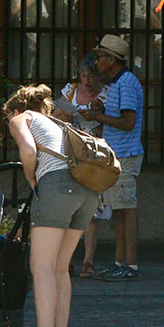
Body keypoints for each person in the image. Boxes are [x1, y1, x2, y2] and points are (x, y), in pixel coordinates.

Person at [5, 82, 98, 327]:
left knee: (41, 267)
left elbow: (29, 152)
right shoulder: (57, 123)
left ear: (17, 109)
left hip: (57, 187)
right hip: (87, 190)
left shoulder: (21, 118)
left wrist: (33, 180)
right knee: (60, 269)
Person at [85, 34, 143, 281]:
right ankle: (120, 261)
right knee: (118, 210)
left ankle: (130, 264)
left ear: (112, 59)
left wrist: (98, 118)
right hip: (116, 154)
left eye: (100, 57)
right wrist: (100, 111)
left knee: (126, 210)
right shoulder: (115, 82)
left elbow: (128, 122)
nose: (96, 62)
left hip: (125, 154)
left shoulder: (127, 83)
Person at [54, 56, 110, 278]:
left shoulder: (106, 93)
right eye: (83, 76)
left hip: (95, 153)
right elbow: (56, 114)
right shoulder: (70, 90)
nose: (86, 81)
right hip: (71, 151)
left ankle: (88, 261)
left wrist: (98, 114)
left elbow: (114, 121)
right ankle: (67, 259)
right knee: (69, 207)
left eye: (91, 76)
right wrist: (65, 115)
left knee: (93, 209)